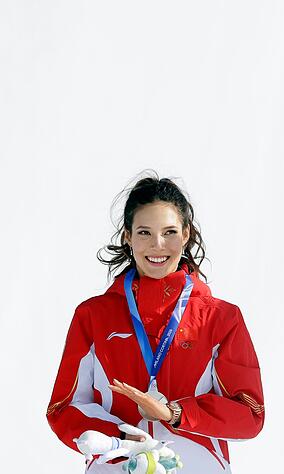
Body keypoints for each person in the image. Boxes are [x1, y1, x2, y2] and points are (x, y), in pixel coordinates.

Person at [47, 174, 265, 473]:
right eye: (145, 232)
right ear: (128, 236)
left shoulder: (220, 318)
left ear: (186, 234)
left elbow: (249, 414)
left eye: (170, 232)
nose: (157, 245)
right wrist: (121, 438)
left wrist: (174, 413)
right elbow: (64, 408)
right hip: (116, 466)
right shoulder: (93, 316)